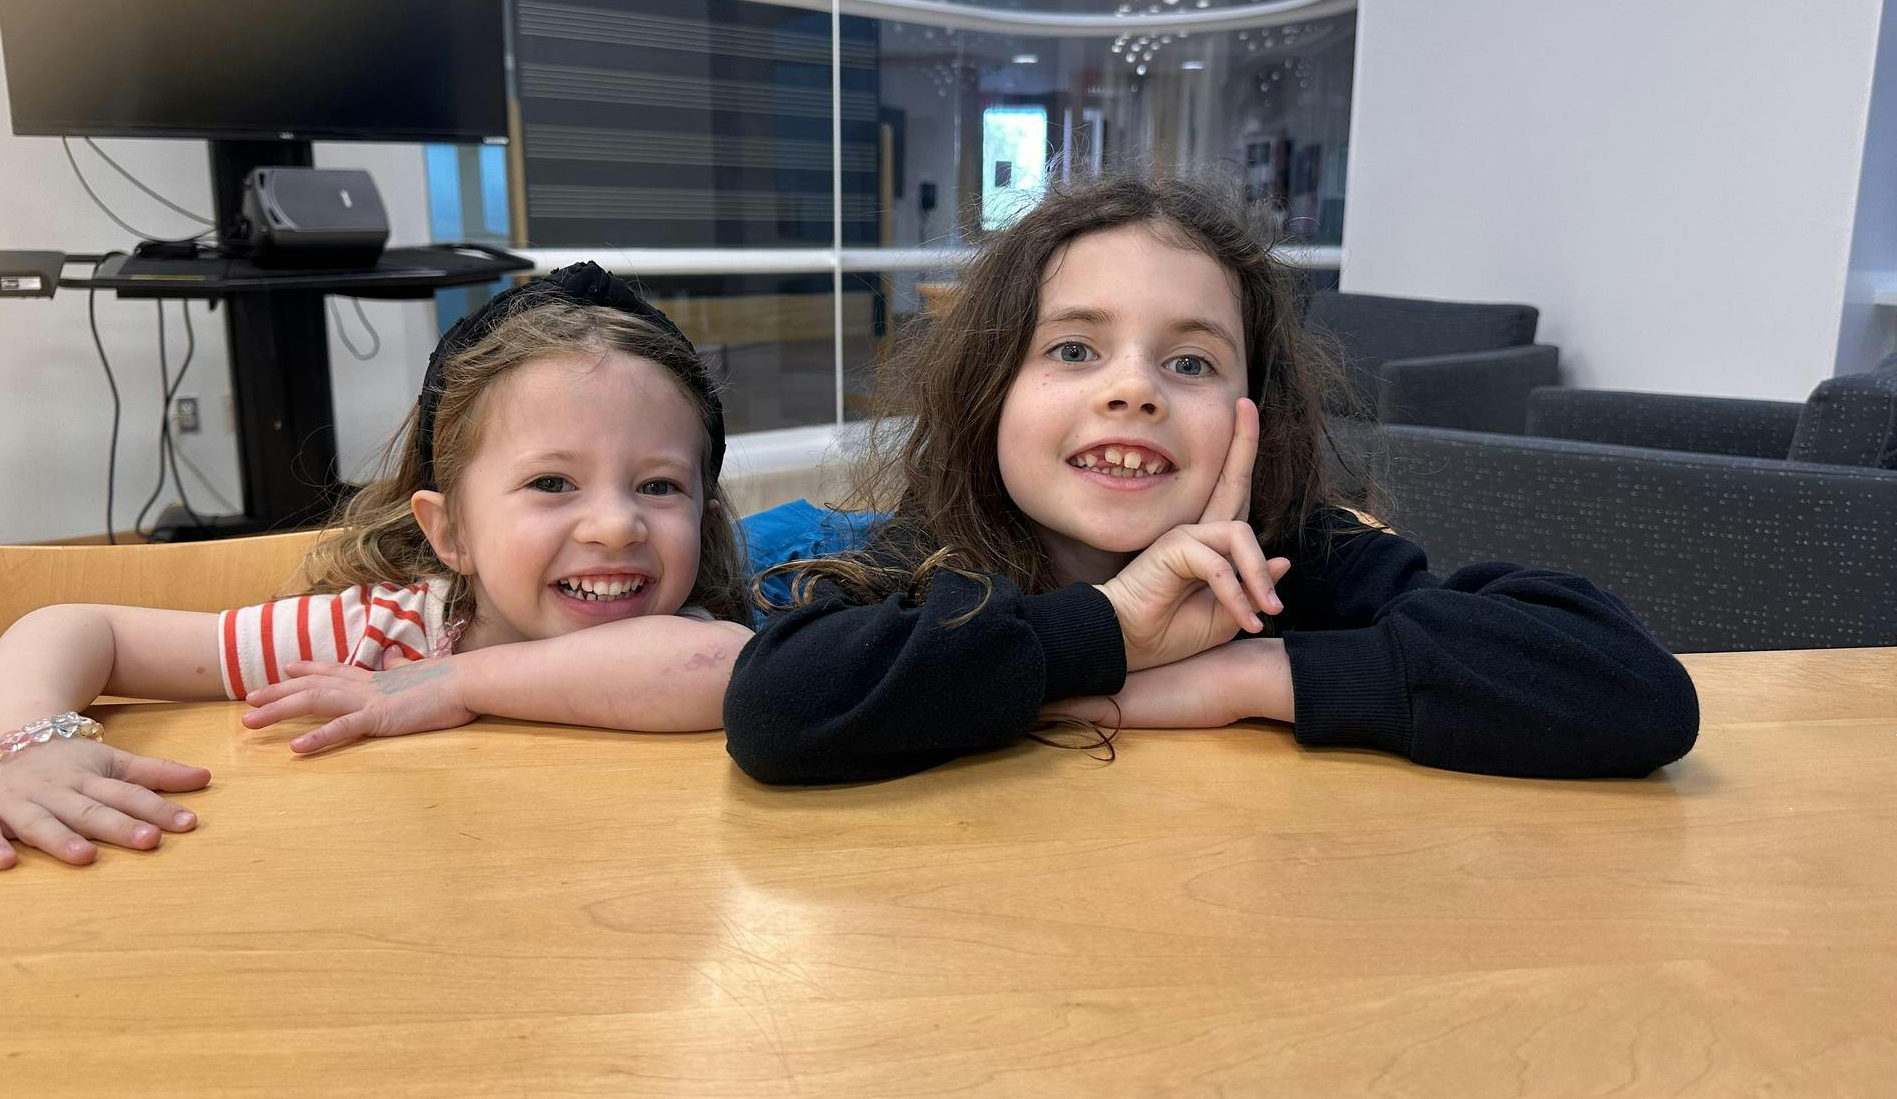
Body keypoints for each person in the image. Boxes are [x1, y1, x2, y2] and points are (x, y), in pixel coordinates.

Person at [725, 174, 1699, 785]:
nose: (1132, 390)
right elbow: (777, 709)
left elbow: (1633, 694)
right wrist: (1108, 632)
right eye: (1072, 349)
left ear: (1253, 414)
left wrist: (1246, 676)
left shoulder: (1290, 556)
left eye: (1189, 363)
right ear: (987, 397)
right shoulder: (942, 548)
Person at [0, 264, 752, 869]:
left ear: (703, 518)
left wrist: (452, 684)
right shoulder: (376, 636)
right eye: (551, 482)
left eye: (659, 485)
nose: (617, 524)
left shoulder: (673, 636)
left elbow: (719, 667)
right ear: (451, 532)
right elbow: (77, 627)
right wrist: (20, 747)